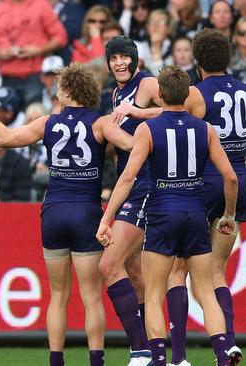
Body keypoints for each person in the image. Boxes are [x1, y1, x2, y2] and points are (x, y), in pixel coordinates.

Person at [0, 63, 133, 366]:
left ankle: (56, 360)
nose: (55, 89)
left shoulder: (47, 122)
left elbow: (3, 138)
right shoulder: (100, 124)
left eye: (60, 85)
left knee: (58, 294)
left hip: (54, 210)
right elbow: (133, 144)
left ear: (69, 90)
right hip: (86, 211)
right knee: (91, 297)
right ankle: (96, 361)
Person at [96, 64, 238, 366]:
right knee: (206, 291)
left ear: (160, 94)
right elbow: (230, 177)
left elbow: (127, 178)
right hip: (196, 213)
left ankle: (159, 359)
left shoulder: (148, 129)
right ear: (187, 93)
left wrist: (107, 218)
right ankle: (223, 357)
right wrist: (228, 214)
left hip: (162, 213)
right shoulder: (206, 129)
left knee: (156, 293)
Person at [166, 28, 246, 366]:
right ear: (227, 58)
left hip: (209, 181)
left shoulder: (198, 94)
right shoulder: (244, 91)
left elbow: (172, 117)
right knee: (215, 272)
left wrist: (139, 113)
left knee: (178, 269)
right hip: (239, 182)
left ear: (197, 61)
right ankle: (227, 346)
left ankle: (180, 356)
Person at [97, 35, 163, 366]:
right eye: (114, 58)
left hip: (146, 184)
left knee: (108, 265)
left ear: (135, 60)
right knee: (134, 273)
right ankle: (154, 350)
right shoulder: (115, 93)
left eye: (125, 57)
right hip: (129, 182)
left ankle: (140, 351)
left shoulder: (147, 84)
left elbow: (180, 109)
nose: (119, 63)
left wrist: (137, 110)